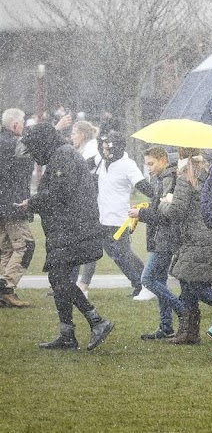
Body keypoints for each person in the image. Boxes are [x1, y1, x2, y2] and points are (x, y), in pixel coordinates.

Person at [18, 122, 113, 351]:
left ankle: (96, 321)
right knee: (58, 278)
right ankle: (67, 333)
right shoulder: (63, 154)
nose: (33, 157)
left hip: (73, 229)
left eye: (33, 150)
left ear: (42, 144)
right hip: (71, 228)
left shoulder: (63, 157)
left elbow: (60, 192)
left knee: (59, 278)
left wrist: (32, 203)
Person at [147, 148, 212, 345]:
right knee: (187, 282)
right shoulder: (209, 171)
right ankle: (189, 332)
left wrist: (164, 202)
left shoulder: (187, 175)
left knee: (194, 284)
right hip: (211, 233)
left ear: (182, 154)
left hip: (196, 237)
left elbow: (177, 211)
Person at [78, 130, 146, 297]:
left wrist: (157, 195)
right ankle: (84, 285)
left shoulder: (128, 164)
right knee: (101, 250)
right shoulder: (100, 159)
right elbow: (83, 164)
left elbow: (141, 184)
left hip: (119, 218)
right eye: (103, 147)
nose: (104, 151)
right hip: (102, 216)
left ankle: (145, 281)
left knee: (122, 253)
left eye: (108, 148)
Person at [132, 146, 181, 339]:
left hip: (165, 238)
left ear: (163, 160)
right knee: (159, 281)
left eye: (151, 164)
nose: (149, 169)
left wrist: (141, 213)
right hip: (157, 236)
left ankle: (183, 310)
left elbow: (165, 215)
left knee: (147, 279)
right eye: (146, 165)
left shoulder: (170, 179)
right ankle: (166, 327)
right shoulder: (160, 178)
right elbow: (157, 209)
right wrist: (144, 209)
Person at [1, 108, 35, 307]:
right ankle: (6, 287)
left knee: (6, 249)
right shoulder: (15, 144)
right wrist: (55, 128)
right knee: (26, 245)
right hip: (13, 204)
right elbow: (38, 147)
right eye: (23, 123)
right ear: (15, 126)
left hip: (1, 204)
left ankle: (3, 290)